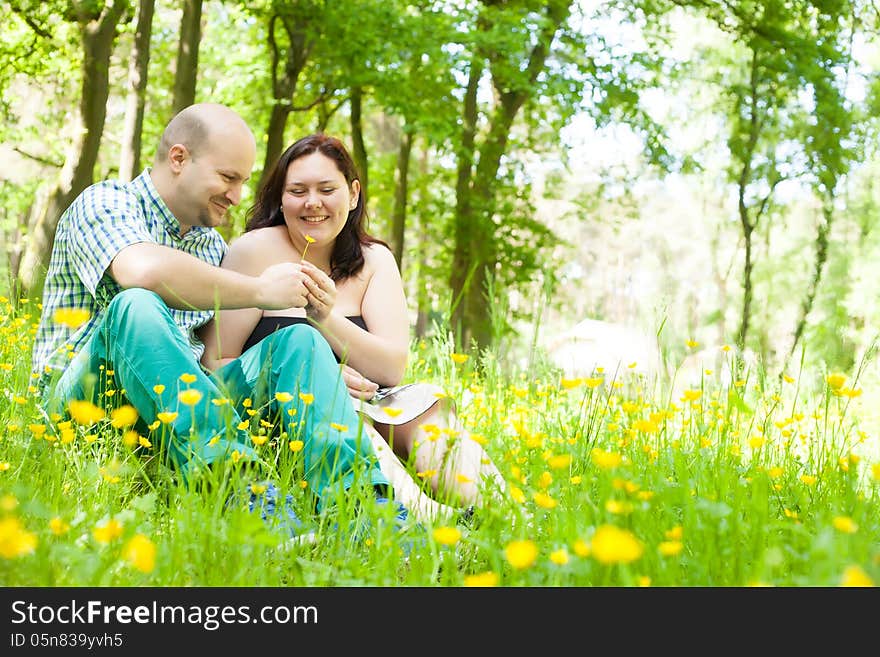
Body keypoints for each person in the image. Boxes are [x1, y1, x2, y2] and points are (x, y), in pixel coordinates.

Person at [31, 104, 402, 539]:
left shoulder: (209, 245)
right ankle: (242, 489)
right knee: (136, 305)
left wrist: (321, 373)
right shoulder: (107, 202)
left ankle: (364, 508)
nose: (238, 196)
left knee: (298, 340)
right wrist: (262, 290)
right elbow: (142, 270)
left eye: (243, 181)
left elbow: (207, 365)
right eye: (228, 178)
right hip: (85, 406)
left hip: (172, 414)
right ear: (178, 159)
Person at [199, 133, 505, 515]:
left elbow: (391, 369)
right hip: (288, 412)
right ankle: (420, 514)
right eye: (297, 191)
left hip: (371, 400)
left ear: (353, 193)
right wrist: (313, 376)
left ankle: (498, 512)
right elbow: (214, 363)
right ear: (281, 198)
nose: (313, 202)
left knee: (426, 416)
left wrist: (325, 317)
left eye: (327, 189)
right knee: (344, 412)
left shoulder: (374, 260)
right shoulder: (253, 250)